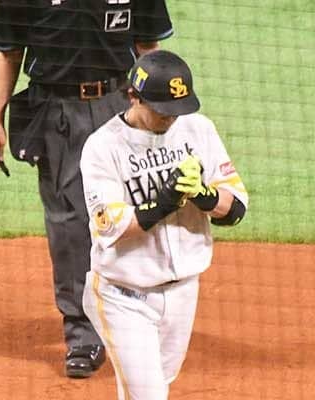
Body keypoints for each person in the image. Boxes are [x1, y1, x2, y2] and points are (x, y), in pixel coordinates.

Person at [0, 0, 175, 379]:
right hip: (58, 110)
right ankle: (83, 335)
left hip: (122, 105)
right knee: (69, 223)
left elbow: (149, 49)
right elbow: (9, 54)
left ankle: (141, 313)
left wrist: (163, 113)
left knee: (139, 208)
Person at [79, 50, 249, 399]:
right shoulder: (102, 147)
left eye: (177, 109)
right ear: (133, 96)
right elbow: (113, 227)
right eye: (161, 109)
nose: (171, 117)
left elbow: (236, 209)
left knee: (157, 387)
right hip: (122, 295)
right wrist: (164, 202)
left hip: (184, 292)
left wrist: (204, 195)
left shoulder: (198, 129)